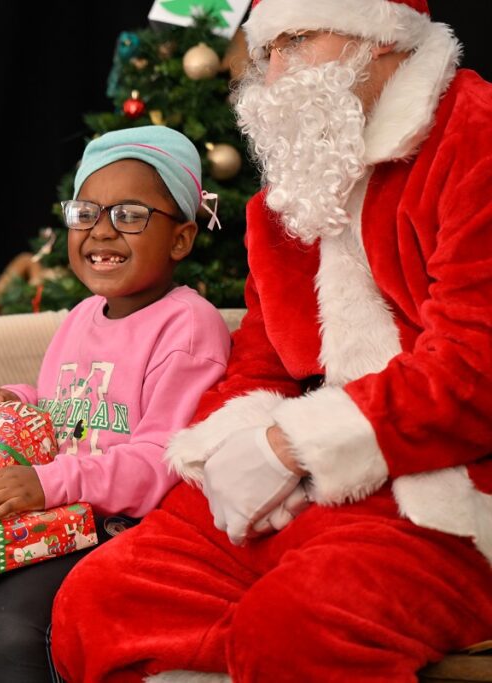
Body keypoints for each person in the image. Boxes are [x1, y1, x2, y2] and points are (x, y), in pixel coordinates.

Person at [50, 1, 492, 681]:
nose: (274, 71)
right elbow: (263, 355)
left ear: (377, 39)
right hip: (310, 483)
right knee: (100, 597)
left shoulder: (475, 139)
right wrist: (234, 448)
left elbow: (474, 370)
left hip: (444, 487)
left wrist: (288, 445)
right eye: (267, 50)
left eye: (297, 40)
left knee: (295, 626)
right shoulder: (305, 171)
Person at [0, 125, 232, 683]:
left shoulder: (187, 325)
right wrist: (11, 399)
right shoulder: (81, 318)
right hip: (51, 520)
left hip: (120, 528)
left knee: (14, 621)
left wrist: (49, 484)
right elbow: (60, 409)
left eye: (130, 216)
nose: (102, 232)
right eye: (87, 213)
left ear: (181, 239)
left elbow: (160, 460)